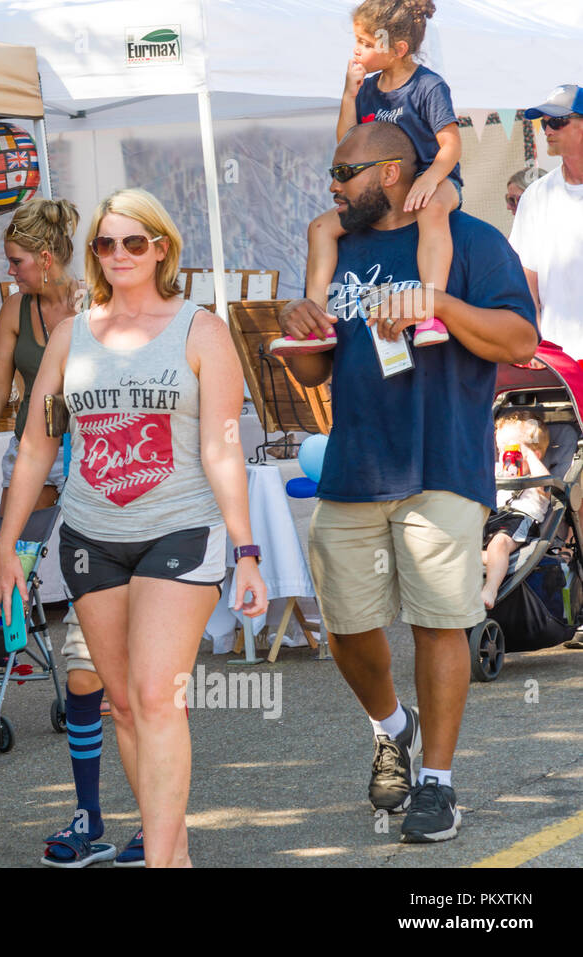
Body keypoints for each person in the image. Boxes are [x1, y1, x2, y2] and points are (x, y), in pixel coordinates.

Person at [278, 121, 538, 844]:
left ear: (392, 172)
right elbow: (311, 370)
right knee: (349, 627)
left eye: (344, 171)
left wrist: (439, 307)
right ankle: (393, 724)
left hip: (442, 462)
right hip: (356, 463)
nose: (334, 185)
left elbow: (519, 341)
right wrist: (302, 322)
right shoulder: (340, 247)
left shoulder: (471, 240)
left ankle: (438, 784)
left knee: (436, 620)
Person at [0, 187, 268, 867]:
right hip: (90, 534)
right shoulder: (71, 334)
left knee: (156, 694)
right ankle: (170, 852)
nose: (119, 255)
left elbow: (223, 446)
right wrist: (6, 545)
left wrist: (248, 548)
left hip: (180, 529)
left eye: (133, 242)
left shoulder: (199, 329)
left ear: (161, 248)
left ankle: (163, 859)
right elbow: (35, 447)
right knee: (121, 703)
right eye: (106, 244)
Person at [0, 197, 113, 865]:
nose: (13, 272)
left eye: (18, 261)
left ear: (50, 258)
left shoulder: (101, 298)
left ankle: (78, 662)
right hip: (40, 446)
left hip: (99, 456)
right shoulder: (16, 309)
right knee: (15, 555)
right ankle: (11, 645)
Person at [273, 0, 460, 355]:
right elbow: (349, 142)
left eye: (366, 42)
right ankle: (317, 323)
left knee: (431, 211)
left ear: (398, 49)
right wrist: (350, 93)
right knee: (320, 227)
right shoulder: (370, 89)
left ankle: (430, 312)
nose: (356, 49)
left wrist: (430, 178)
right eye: (356, 39)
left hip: (434, 178)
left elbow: (451, 145)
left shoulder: (428, 86)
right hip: (387, 190)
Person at [510, 84, 583, 359]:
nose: (548, 130)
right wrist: (536, 342)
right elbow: (526, 280)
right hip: (559, 356)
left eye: (558, 121)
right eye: (544, 123)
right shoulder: (536, 195)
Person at [482, 411, 551, 609]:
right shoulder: (498, 470)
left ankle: (490, 589)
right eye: (500, 448)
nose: (504, 454)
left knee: (499, 543)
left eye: (510, 449)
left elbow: (547, 488)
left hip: (518, 520)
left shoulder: (538, 476)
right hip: (492, 517)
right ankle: (491, 559)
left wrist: (529, 456)